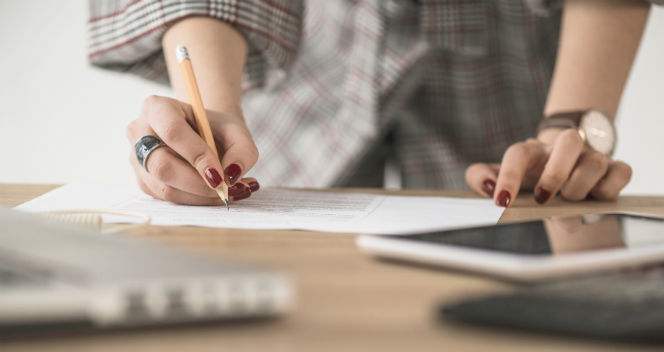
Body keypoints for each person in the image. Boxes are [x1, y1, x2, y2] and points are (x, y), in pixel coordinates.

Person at [88, 0, 661, 206]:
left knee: (514, 266)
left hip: (507, 68)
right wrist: (213, 105)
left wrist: (570, 124)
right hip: (301, 66)